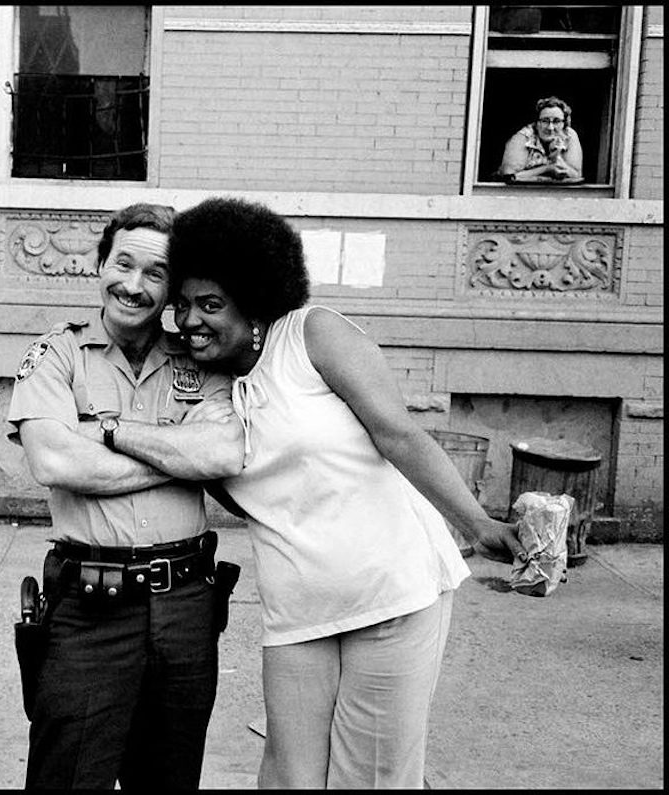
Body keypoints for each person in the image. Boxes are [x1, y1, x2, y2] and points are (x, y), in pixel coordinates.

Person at [167, 196, 528, 789]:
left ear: (253, 301)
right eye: (183, 306)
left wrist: (478, 524)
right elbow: (248, 496)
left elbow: (400, 435)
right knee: (289, 777)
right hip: (298, 611)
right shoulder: (209, 390)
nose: (191, 321)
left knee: (374, 777)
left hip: (391, 593)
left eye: (211, 304)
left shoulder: (313, 335)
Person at [6, 203, 246, 789]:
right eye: (123, 264)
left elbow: (225, 454)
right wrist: (179, 456)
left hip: (186, 607)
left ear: (172, 289)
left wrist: (109, 436)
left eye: (155, 273)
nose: (133, 286)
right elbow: (54, 459)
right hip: (88, 609)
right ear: (101, 266)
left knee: (168, 779)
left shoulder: (203, 359)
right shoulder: (58, 353)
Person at [496, 96, 584, 182]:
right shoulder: (523, 137)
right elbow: (509, 176)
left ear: (564, 124)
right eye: (545, 121)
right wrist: (547, 169)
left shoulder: (569, 135)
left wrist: (561, 163)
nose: (550, 127)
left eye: (557, 121)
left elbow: (577, 175)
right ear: (537, 123)